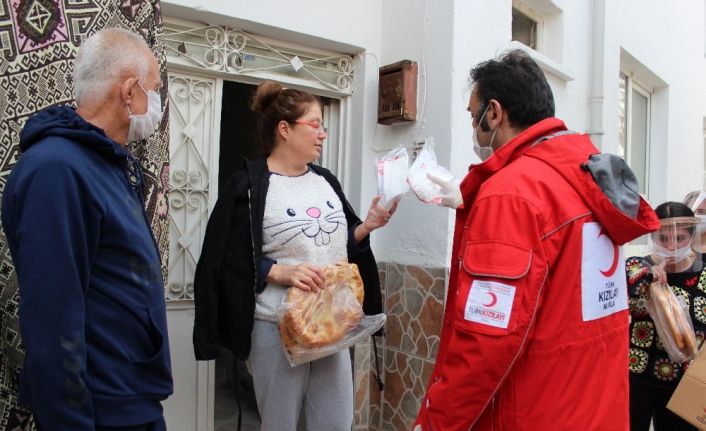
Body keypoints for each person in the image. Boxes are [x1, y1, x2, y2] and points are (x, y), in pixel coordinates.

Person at [414, 49, 659, 430]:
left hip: (531, 410)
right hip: (593, 407)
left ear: (493, 113)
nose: (473, 127)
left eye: (472, 115)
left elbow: (487, 342)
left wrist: (435, 423)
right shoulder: (589, 176)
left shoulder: (512, 194)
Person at [192, 80, 396, 431]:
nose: (322, 134)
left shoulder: (325, 181)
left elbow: (337, 247)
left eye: (323, 126)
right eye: (314, 124)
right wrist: (277, 272)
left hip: (332, 326)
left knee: (335, 422)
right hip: (275, 328)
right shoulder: (250, 186)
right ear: (284, 129)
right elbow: (223, 259)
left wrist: (366, 227)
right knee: (280, 424)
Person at [1, 28, 172, 430]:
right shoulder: (58, 170)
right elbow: (52, 316)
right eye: (155, 89)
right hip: (100, 410)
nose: (159, 104)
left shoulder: (105, 164)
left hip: (130, 398)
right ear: (129, 92)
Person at [626, 202, 705, 431]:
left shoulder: (704, 274)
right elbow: (623, 302)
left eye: (679, 239)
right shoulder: (636, 267)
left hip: (686, 381)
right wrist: (647, 276)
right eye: (663, 238)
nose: (671, 246)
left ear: (691, 236)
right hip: (638, 375)